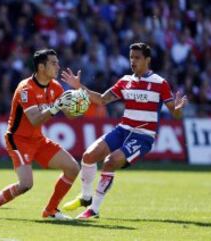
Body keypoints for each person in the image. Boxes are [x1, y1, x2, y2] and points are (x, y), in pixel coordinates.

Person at [61, 42, 188, 219]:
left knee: (110, 161)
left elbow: (175, 114)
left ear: (147, 60)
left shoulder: (160, 83)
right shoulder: (125, 81)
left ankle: (94, 209)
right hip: (123, 129)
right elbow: (101, 100)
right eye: (131, 57)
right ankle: (85, 197)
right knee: (88, 156)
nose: (133, 61)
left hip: (143, 136)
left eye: (137, 58)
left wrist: (179, 108)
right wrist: (79, 87)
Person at [0, 49, 80, 220]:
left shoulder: (56, 87)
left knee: (73, 168)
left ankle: (51, 211)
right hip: (17, 139)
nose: (58, 66)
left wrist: (77, 94)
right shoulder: (25, 88)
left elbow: (71, 115)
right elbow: (35, 120)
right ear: (41, 67)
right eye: (53, 63)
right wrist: (56, 106)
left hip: (38, 140)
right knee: (26, 184)